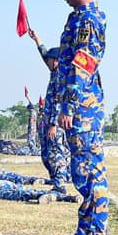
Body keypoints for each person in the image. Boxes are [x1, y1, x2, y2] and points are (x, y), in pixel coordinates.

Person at [48, 0, 111, 235]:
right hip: (83, 106)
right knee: (85, 169)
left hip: (82, 108)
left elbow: (82, 65)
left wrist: (68, 106)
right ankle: (89, 230)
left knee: (88, 172)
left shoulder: (87, 20)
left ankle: (95, 233)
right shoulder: (83, 15)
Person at [26, 31, 73, 191]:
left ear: (56, 61)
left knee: (55, 153)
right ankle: (57, 179)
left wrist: (53, 124)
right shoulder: (54, 72)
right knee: (46, 154)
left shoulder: (60, 75)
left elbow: (59, 101)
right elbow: (44, 54)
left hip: (55, 122)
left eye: (49, 61)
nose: (47, 62)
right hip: (47, 121)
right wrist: (37, 39)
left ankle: (60, 184)